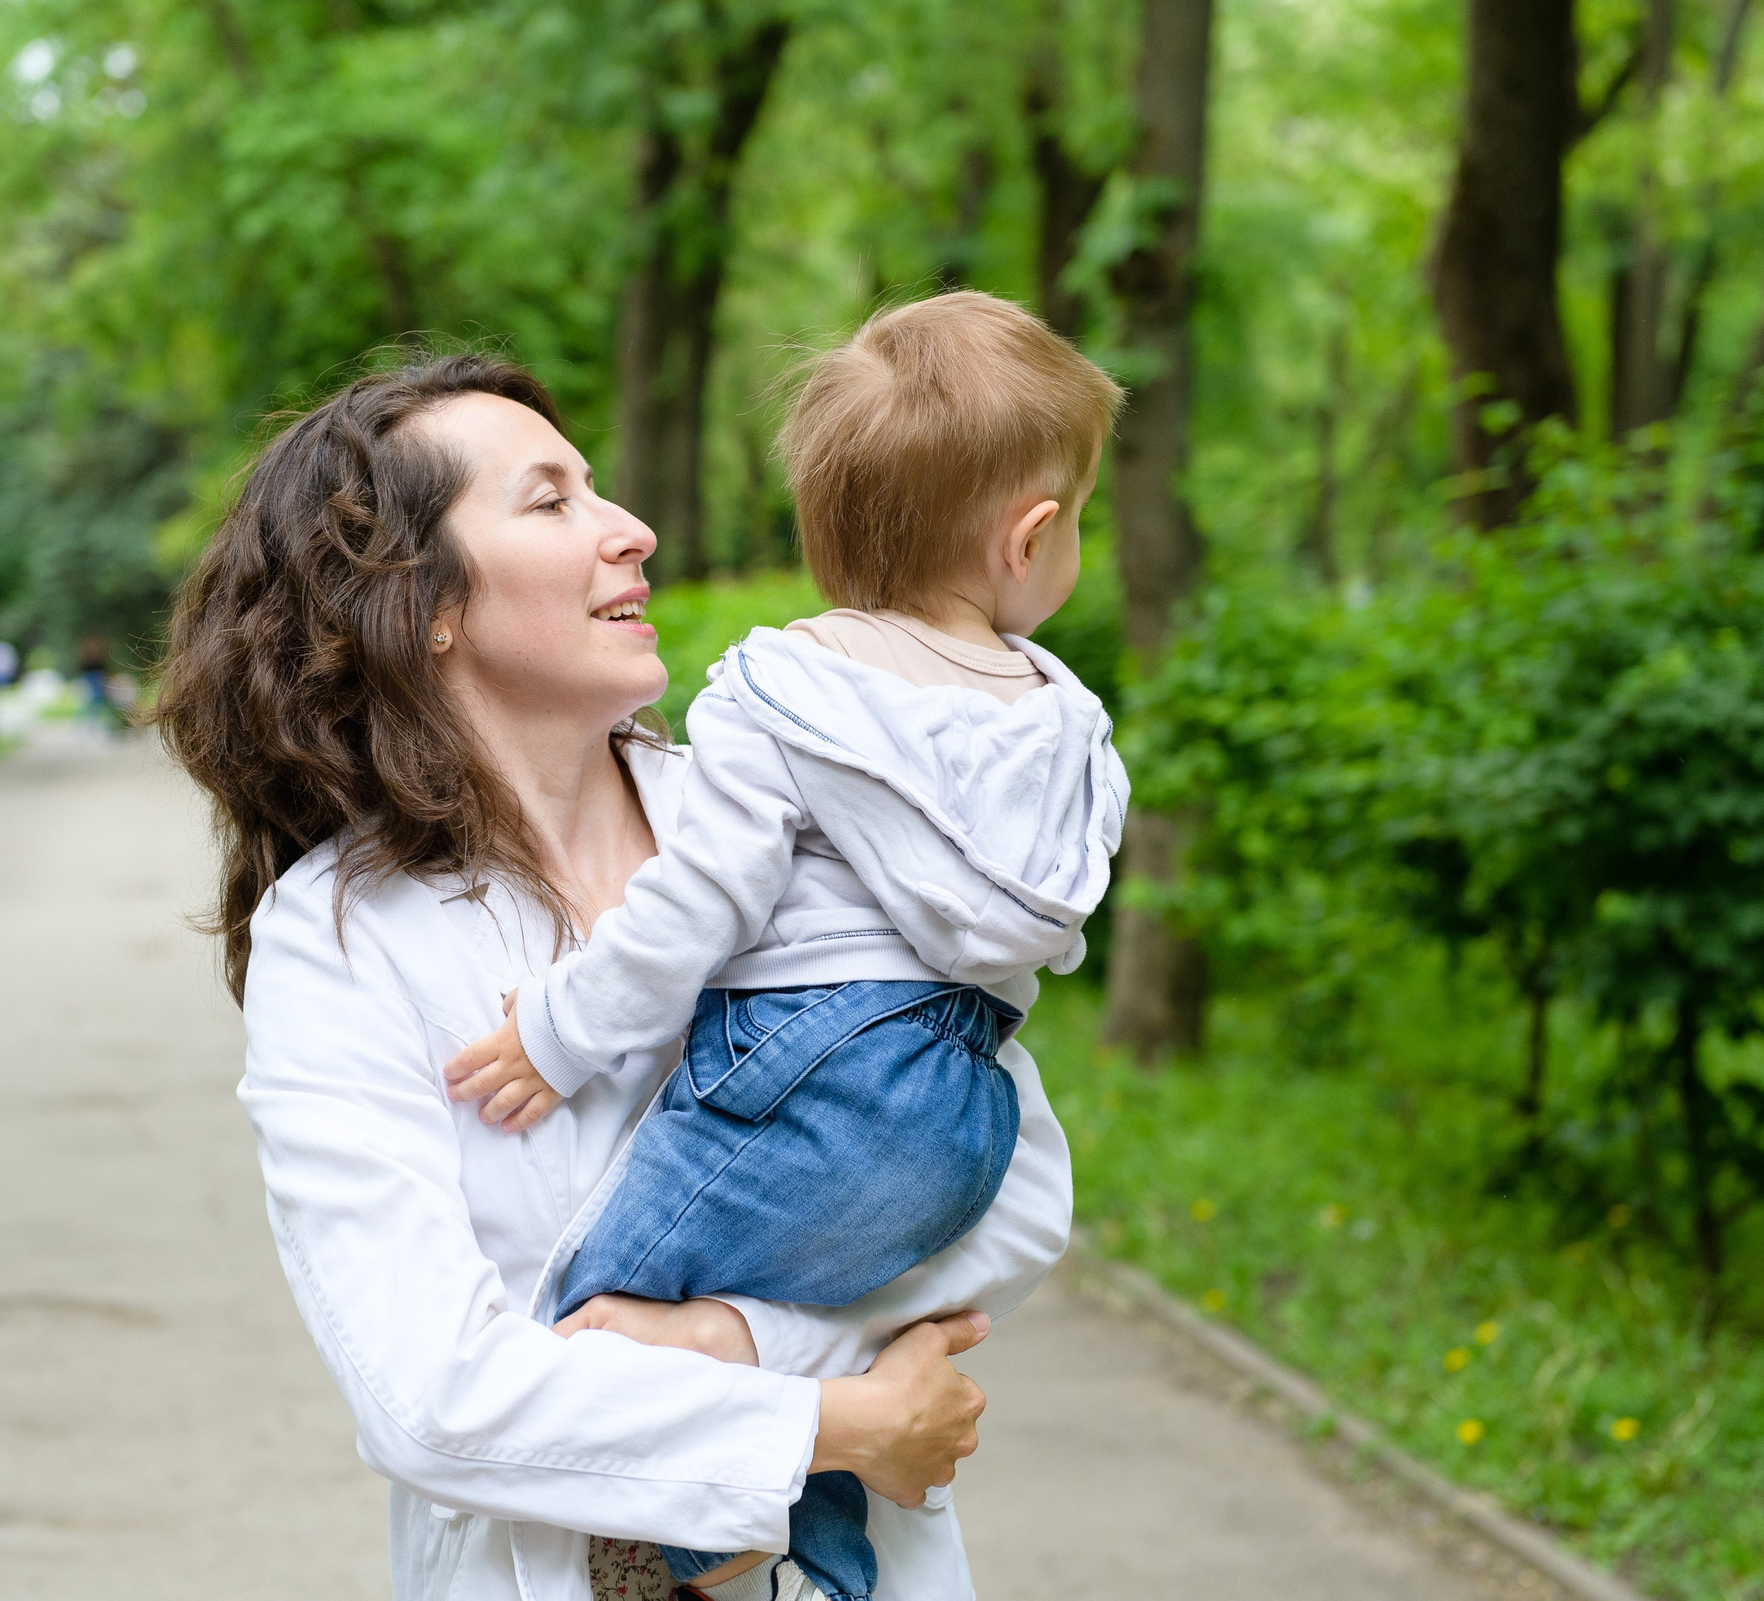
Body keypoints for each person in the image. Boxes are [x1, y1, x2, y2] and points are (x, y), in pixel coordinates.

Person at [154, 354, 1074, 1601]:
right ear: (419, 602)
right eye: (551, 501)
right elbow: (433, 1397)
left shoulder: (786, 813)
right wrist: (832, 1421)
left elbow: (1012, 1181)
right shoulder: (345, 937)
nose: (629, 528)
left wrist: (737, 1339)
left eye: (597, 488)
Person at [441, 293, 1127, 1601]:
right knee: (781, 1319)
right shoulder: (1064, 724)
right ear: (1030, 536)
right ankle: (801, 1531)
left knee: (592, 1312)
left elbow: (701, 904)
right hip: (965, 1097)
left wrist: (559, 1029)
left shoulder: (789, 687)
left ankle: (702, 1541)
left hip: (808, 1064)